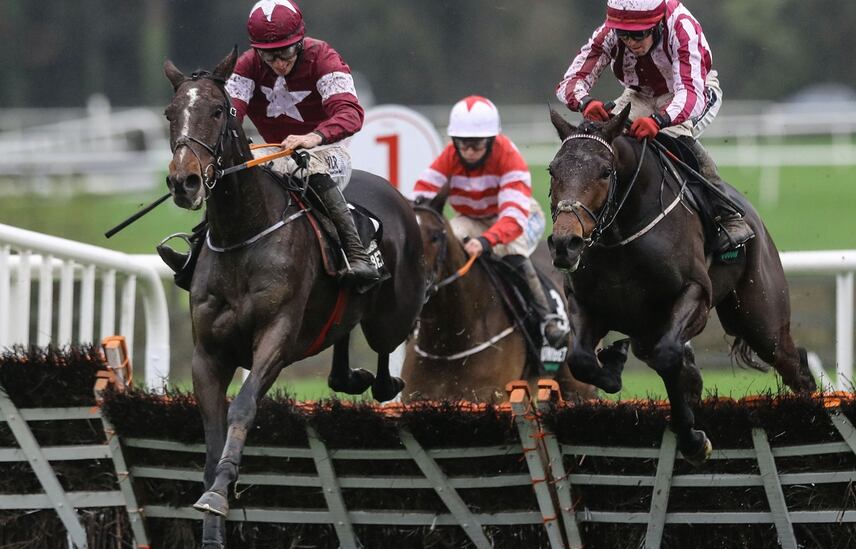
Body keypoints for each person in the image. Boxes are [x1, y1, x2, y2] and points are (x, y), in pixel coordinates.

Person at [158, 0, 381, 291]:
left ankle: (356, 252)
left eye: (284, 52)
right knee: (228, 168)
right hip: (275, 150)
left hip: (327, 151)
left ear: (300, 42)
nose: (277, 63)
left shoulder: (324, 57)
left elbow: (351, 114)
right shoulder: (248, 65)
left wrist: (313, 137)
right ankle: (198, 248)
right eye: (268, 55)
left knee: (306, 165)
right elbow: (232, 112)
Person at [555, 0, 753, 254]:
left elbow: (690, 93)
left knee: (675, 137)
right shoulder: (608, 32)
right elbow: (571, 80)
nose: (630, 41)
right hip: (639, 94)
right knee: (599, 138)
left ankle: (727, 215)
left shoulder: (683, 28)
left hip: (692, 92)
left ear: (658, 24)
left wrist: (659, 121)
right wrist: (585, 101)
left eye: (638, 34)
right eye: (623, 34)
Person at [407, 95, 568, 348]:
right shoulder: (450, 155)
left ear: (493, 140)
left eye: (476, 144)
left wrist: (485, 241)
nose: (469, 151)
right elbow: (422, 196)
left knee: (511, 252)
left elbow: (513, 217)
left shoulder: (509, 157)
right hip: (471, 218)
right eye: (463, 143)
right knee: (445, 243)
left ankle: (547, 319)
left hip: (519, 216)